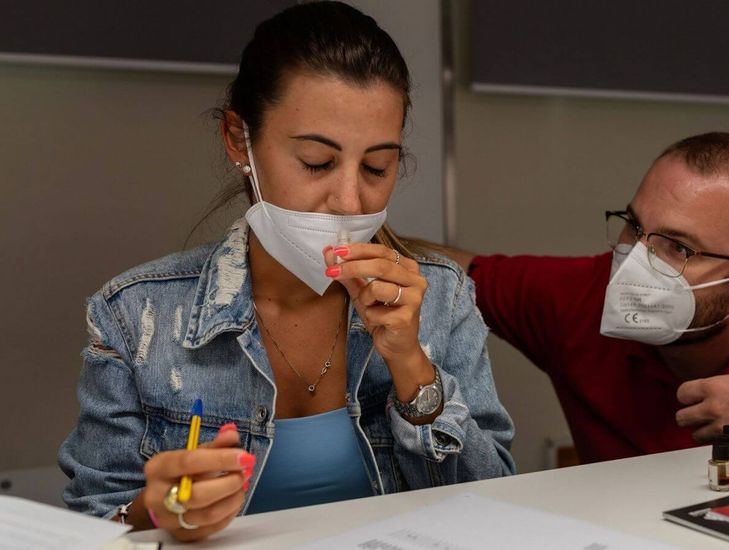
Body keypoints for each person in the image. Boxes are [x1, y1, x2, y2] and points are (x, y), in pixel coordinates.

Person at [58, 1, 514, 542]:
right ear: (238, 140)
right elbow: (88, 525)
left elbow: (493, 507)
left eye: (377, 166)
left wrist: (412, 366)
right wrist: (155, 512)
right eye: (316, 162)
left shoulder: (441, 298)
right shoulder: (134, 314)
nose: (348, 200)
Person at [445, 132, 729, 464]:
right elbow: (447, 271)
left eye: (678, 248)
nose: (633, 264)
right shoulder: (582, 296)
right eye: (633, 226)